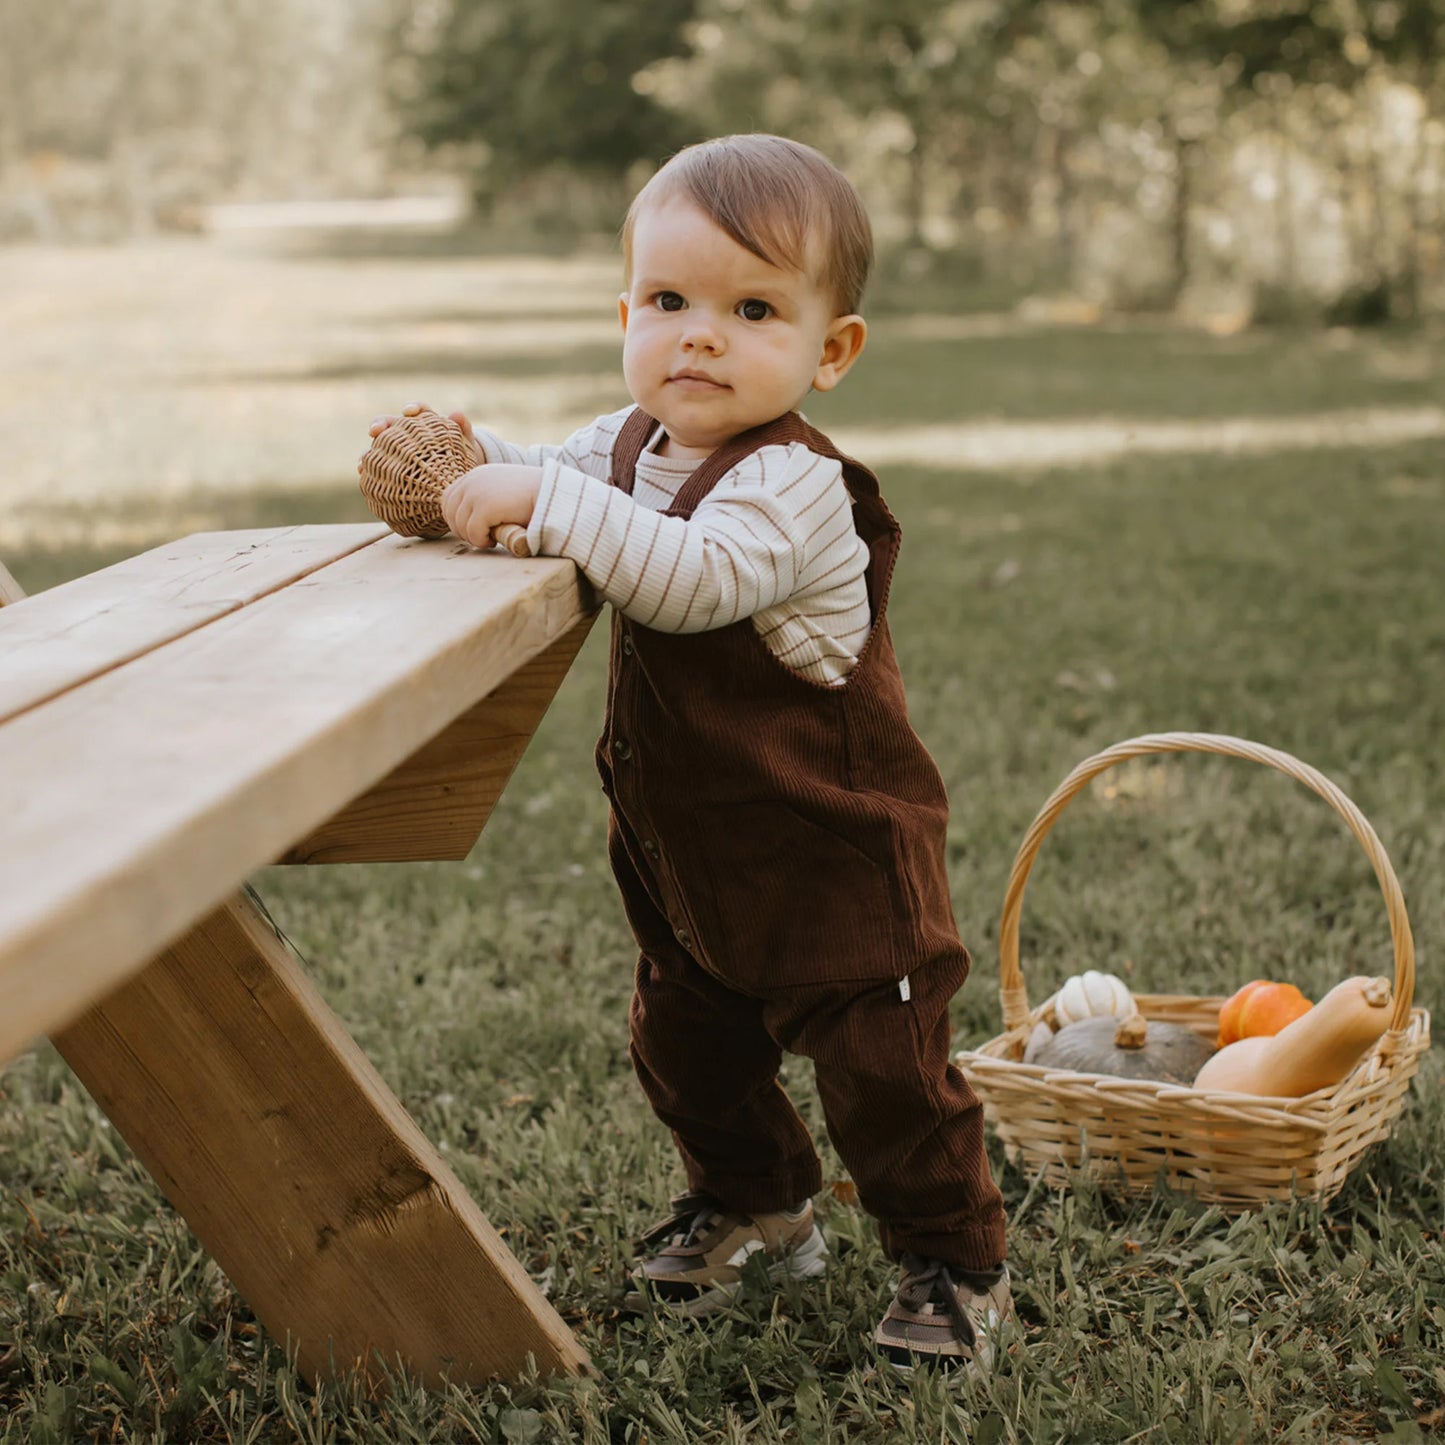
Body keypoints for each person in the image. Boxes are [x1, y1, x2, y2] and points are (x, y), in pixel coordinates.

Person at [364, 133, 1012, 1373]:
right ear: (625, 315)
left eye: (751, 308)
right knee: (686, 1045)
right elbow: (551, 475)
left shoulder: (792, 488)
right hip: (693, 860)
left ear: (831, 350)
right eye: (668, 302)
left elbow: (690, 581)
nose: (699, 335)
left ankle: (952, 1261)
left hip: (834, 854)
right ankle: (760, 1203)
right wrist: (473, 454)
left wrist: (545, 506)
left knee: (885, 1074)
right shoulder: (628, 445)